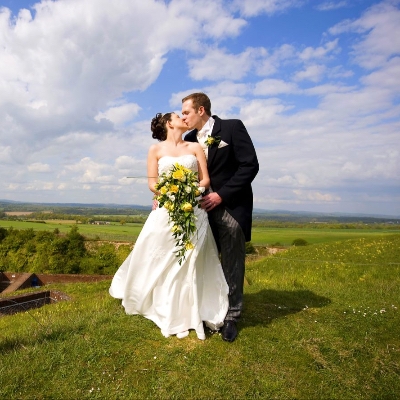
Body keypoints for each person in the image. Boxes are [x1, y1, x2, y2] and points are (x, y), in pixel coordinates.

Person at [109, 112, 229, 340]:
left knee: (191, 257)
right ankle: (160, 302)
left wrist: (190, 191)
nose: (183, 118)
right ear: (167, 123)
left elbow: (205, 180)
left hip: (193, 208)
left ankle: (191, 307)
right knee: (163, 254)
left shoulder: (195, 148)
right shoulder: (155, 150)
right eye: (177, 115)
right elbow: (152, 183)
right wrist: (168, 192)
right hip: (166, 208)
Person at [182, 93, 259, 342]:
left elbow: (249, 165)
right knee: (206, 261)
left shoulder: (232, 127)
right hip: (200, 210)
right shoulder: (190, 139)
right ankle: (209, 310)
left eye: (186, 112)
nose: (183, 117)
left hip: (230, 206)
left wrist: (221, 195)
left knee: (232, 262)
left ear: (201, 110)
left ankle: (232, 317)